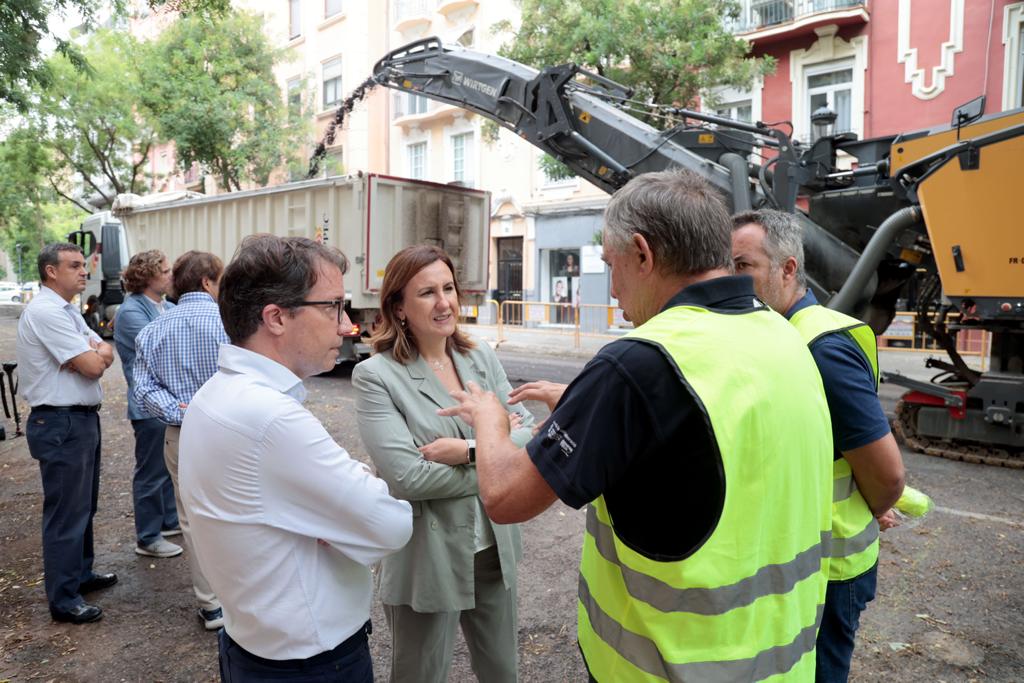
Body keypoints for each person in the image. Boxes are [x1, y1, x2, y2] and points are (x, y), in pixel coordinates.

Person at [439, 169, 834, 681]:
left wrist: (489, 420)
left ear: (643, 254)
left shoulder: (637, 364)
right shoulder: (784, 337)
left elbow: (506, 497)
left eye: (611, 263)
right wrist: (590, 409)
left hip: (668, 667)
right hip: (784, 662)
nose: (613, 287)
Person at [179, 235, 412, 681]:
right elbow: (391, 525)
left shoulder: (217, 394)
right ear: (276, 317)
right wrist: (344, 510)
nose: (346, 326)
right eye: (333, 307)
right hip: (310, 664)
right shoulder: (270, 418)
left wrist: (330, 519)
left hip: (253, 646)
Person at [731, 209, 906, 682]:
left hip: (831, 570)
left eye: (742, 267)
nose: (730, 280)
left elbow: (887, 474)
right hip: (799, 562)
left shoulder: (821, 349)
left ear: (788, 270)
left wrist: (875, 503)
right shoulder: (777, 337)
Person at [352, 245, 534, 683]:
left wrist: (468, 452)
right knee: (420, 674)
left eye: (448, 288)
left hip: (493, 545)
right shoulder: (377, 376)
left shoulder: (479, 357)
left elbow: (530, 432)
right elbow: (408, 477)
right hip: (426, 556)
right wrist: (496, 450)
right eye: (427, 293)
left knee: (502, 672)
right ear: (398, 307)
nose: (444, 302)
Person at [16, 243, 116, 624]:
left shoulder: (68, 311)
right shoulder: (45, 311)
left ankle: (80, 575)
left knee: (83, 507)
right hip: (60, 422)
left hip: (79, 419)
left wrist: (98, 354)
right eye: (73, 266)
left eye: (82, 265)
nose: (83, 271)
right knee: (66, 514)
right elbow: (93, 364)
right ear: (50, 272)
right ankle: (63, 598)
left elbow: (103, 351)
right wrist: (95, 356)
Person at [133, 250, 229, 630]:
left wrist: (181, 411)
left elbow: (142, 390)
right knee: (244, 508)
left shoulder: (153, 329)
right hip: (232, 429)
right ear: (207, 282)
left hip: (182, 435)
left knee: (193, 520)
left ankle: (212, 606)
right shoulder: (231, 323)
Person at [112, 250, 182, 560]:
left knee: (166, 468)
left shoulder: (165, 306)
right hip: (149, 405)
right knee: (151, 472)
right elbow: (161, 350)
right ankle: (148, 536)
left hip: (168, 402)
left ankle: (167, 521)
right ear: (147, 276)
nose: (171, 275)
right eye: (164, 270)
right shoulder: (131, 312)